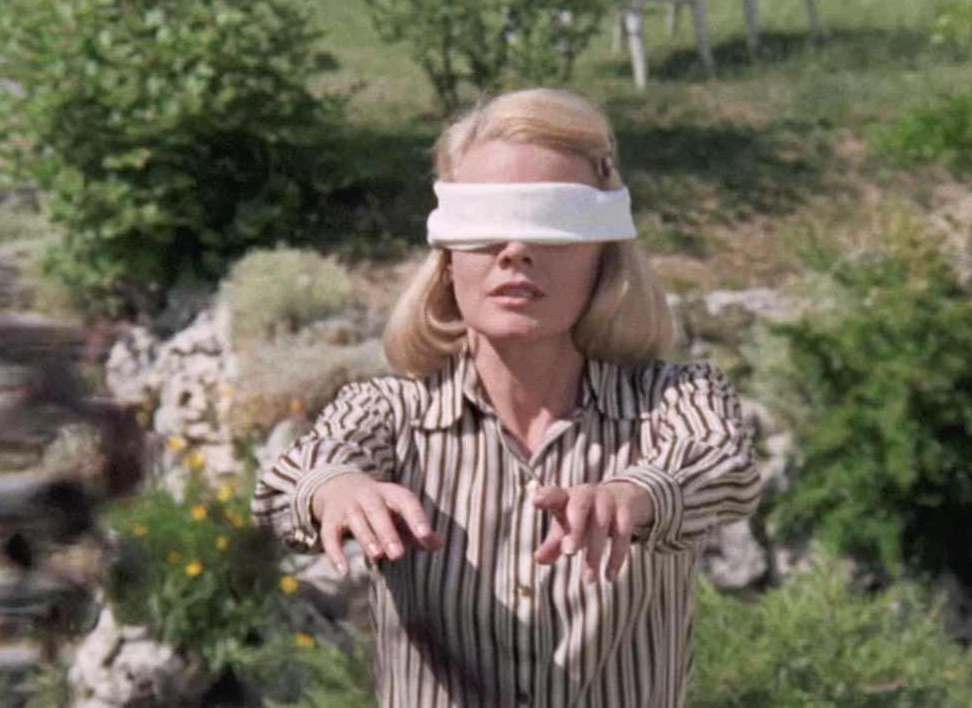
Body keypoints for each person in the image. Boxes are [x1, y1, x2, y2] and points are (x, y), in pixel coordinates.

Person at [252, 88, 762, 707]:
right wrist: (337, 488)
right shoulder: (388, 412)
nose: (516, 251)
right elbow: (291, 479)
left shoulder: (675, 399)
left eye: (551, 225)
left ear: (602, 254)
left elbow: (725, 468)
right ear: (447, 258)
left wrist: (637, 494)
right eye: (486, 226)